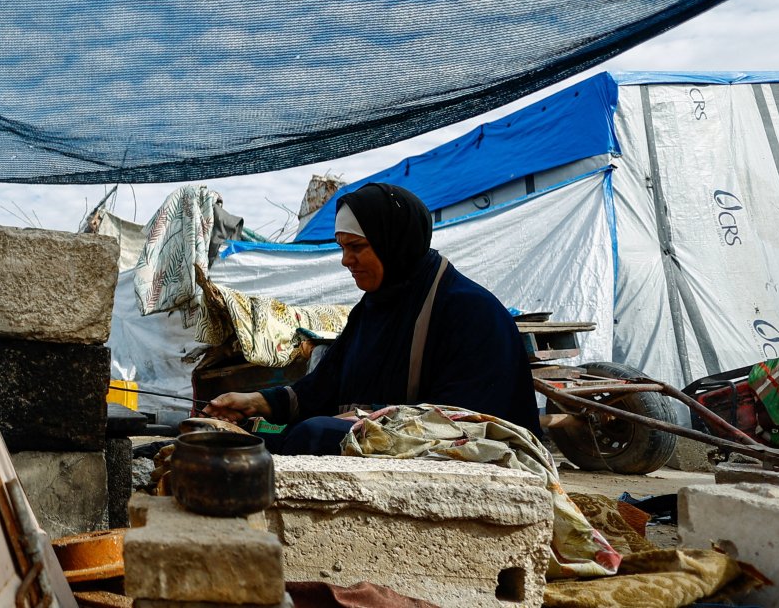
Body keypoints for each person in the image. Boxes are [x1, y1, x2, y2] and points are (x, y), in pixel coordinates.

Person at [204, 183, 539, 454]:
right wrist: (255, 403)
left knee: (314, 434)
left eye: (357, 247)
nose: (346, 260)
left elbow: (464, 419)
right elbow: (323, 388)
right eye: (342, 247)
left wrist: (365, 420)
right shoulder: (373, 309)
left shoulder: (470, 312)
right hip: (388, 445)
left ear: (395, 243)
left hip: (469, 459)